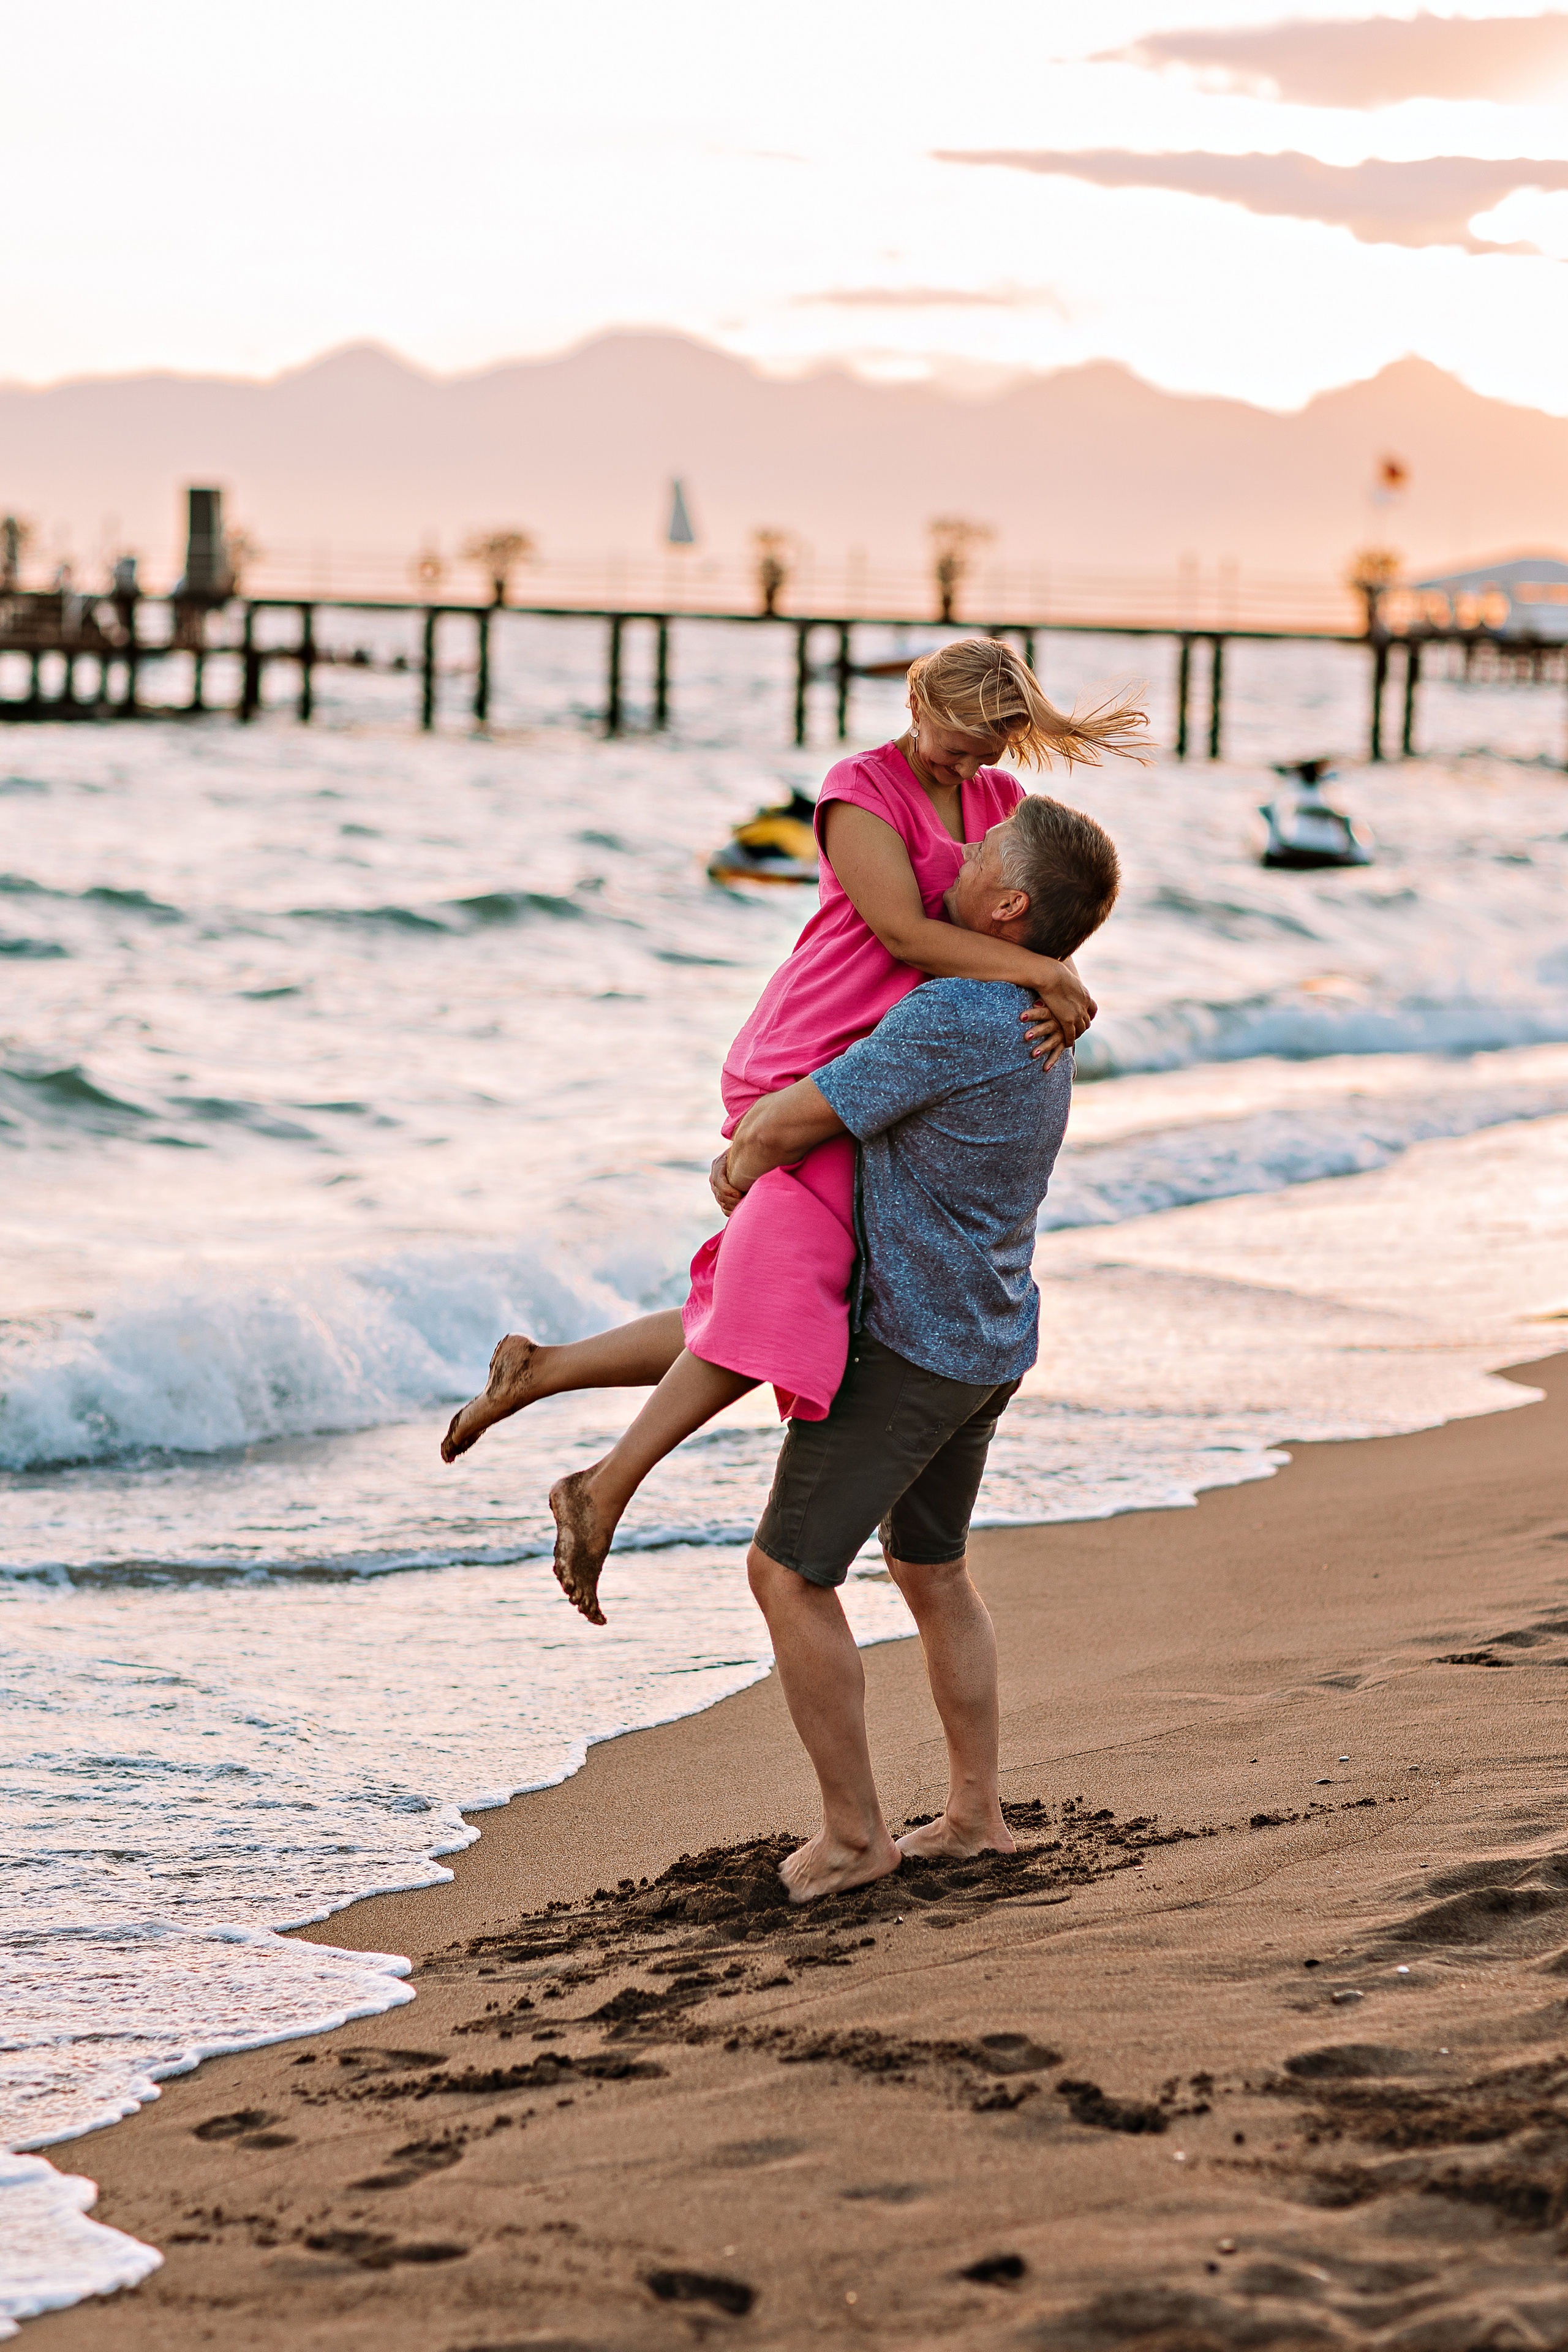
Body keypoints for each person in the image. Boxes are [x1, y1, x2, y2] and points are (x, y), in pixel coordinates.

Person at [441, 639, 1145, 1621]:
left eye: (991, 748)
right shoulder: (860, 790)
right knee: (782, 1296)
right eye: (958, 741)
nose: (971, 767)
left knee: (784, 1291)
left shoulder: (993, 802)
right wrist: (1046, 976)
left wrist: (1050, 968)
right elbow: (902, 935)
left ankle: (547, 1373)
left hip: (894, 1077)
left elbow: (1027, 908)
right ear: (917, 703)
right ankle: (602, 1487)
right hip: (813, 1054)